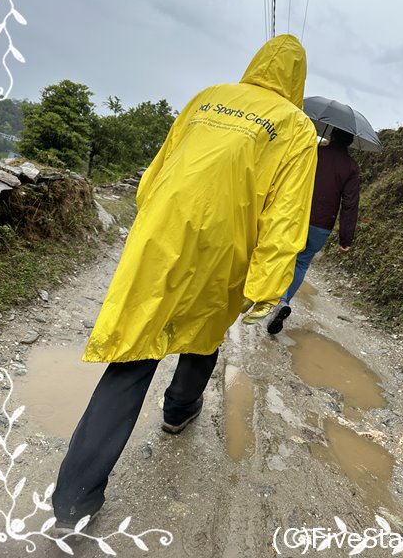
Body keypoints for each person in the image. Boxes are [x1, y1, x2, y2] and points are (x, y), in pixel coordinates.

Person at [51, 34, 318, 533]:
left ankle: (73, 500)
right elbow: (286, 216)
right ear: (298, 78)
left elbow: (158, 170)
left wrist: (153, 216)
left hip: (161, 234)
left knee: (134, 355)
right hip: (223, 247)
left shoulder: (208, 96)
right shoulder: (297, 127)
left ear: (257, 63)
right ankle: (180, 409)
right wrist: (267, 285)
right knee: (204, 332)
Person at [267, 127, 360, 334]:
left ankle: (272, 298)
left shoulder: (314, 153)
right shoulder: (351, 168)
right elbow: (349, 205)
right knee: (301, 264)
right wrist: (345, 238)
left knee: (284, 256)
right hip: (321, 225)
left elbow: (289, 180)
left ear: (332, 136)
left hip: (296, 215)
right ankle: (282, 302)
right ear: (350, 142)